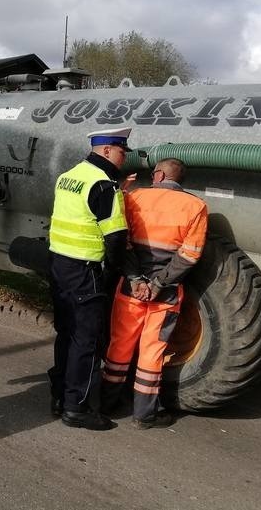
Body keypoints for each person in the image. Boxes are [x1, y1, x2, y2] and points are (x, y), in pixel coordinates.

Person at [101, 158, 208, 429]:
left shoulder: (135, 197)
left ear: (159, 174)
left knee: (120, 345)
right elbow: (189, 255)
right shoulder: (195, 206)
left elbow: (121, 241)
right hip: (166, 294)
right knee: (152, 352)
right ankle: (144, 415)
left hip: (131, 289)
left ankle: (107, 403)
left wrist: (137, 280)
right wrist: (159, 284)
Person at [47, 127, 132, 431]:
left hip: (59, 265)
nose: (126, 156)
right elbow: (116, 238)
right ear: (107, 151)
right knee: (86, 341)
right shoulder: (104, 186)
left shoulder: (70, 176)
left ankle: (59, 397)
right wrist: (118, 272)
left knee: (66, 334)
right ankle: (77, 408)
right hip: (85, 270)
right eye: (123, 151)